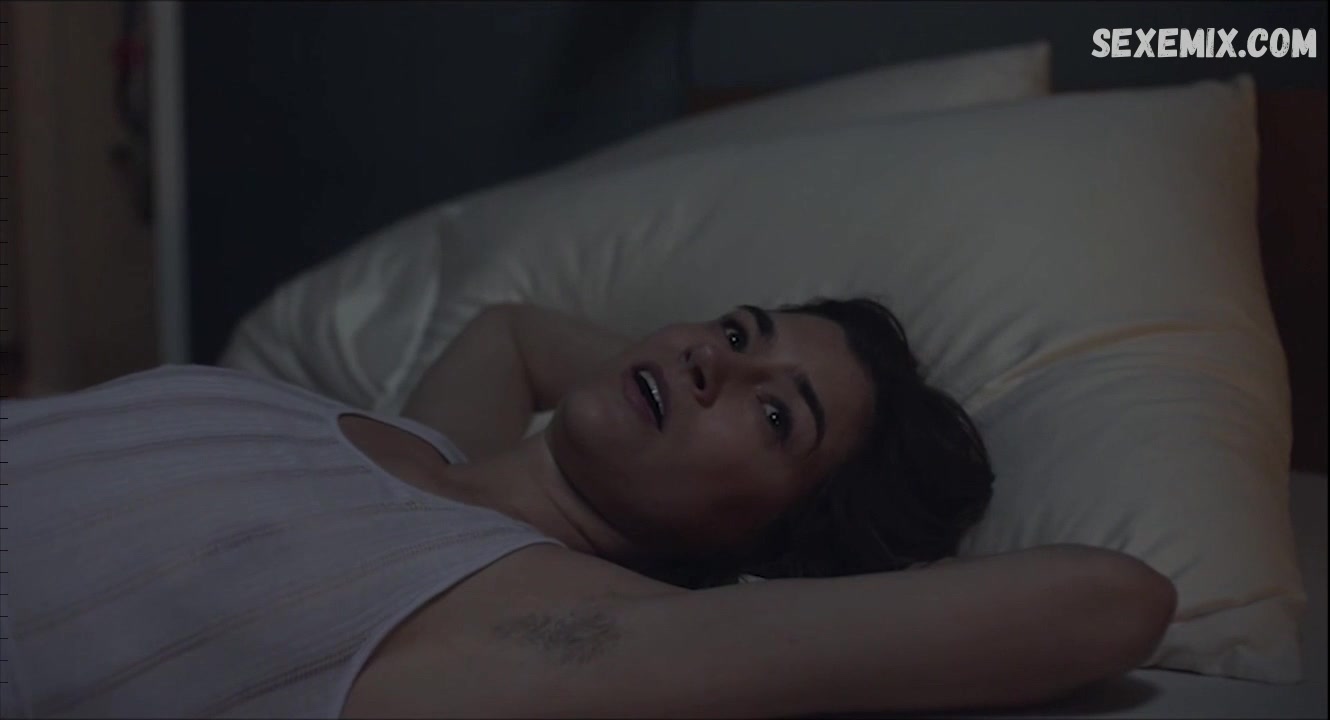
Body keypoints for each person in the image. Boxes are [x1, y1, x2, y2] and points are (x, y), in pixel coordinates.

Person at [0, 297, 1176, 719]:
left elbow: (1112, 601)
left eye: (778, 417)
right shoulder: (431, 451)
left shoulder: (549, 626)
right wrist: (706, 393)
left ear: (774, 545)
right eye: (734, 330)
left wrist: (794, 577)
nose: (715, 361)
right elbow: (509, 329)